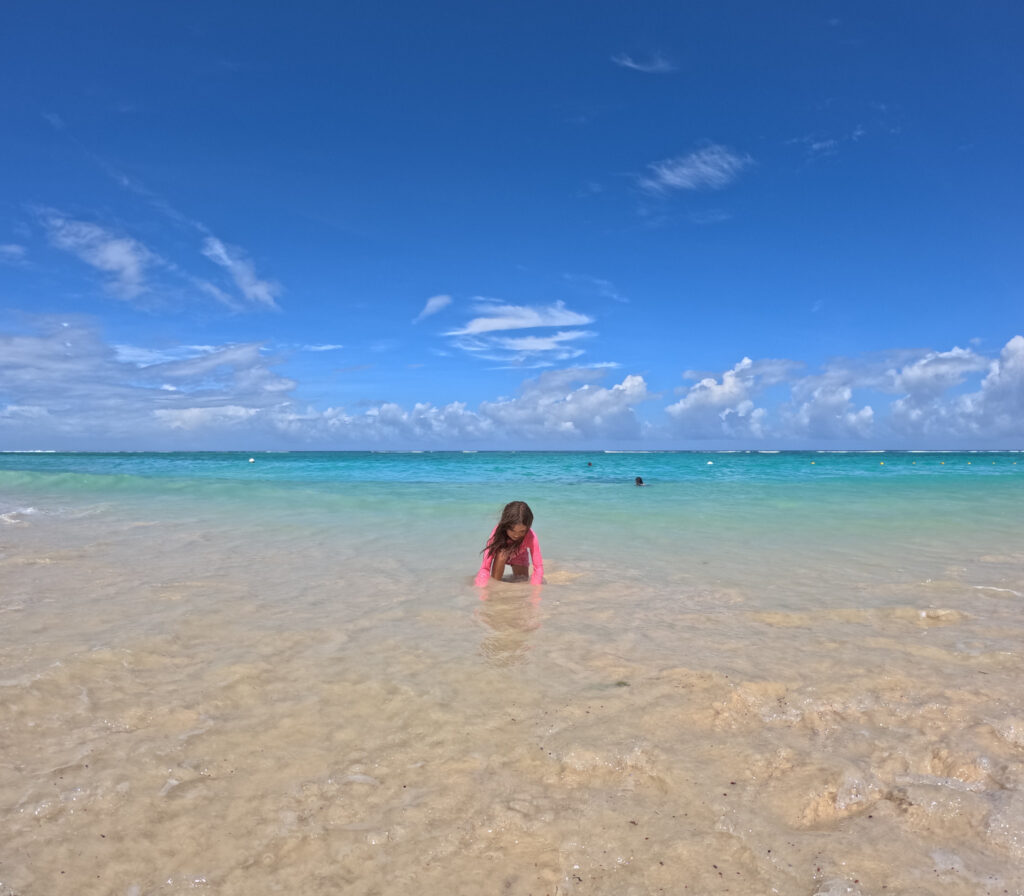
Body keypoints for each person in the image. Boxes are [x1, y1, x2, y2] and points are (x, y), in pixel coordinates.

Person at [474, 500, 544, 585]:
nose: (516, 535)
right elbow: (485, 567)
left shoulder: (531, 536)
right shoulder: (497, 533)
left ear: (528, 527)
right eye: (512, 530)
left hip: (519, 554)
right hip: (501, 554)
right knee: (502, 554)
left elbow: (538, 568)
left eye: (522, 531)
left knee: (522, 580)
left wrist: (536, 588)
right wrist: (482, 585)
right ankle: (496, 584)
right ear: (505, 525)